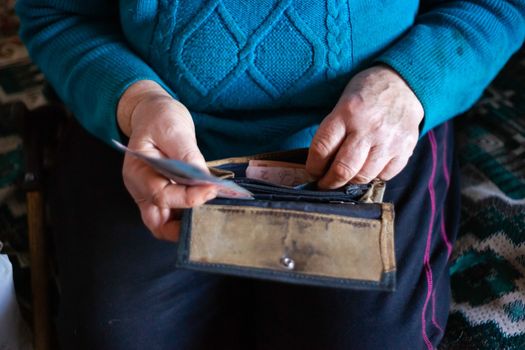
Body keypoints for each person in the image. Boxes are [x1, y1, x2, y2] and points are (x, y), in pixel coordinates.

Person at [16, 1, 525, 349]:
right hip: (152, 129)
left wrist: (410, 83)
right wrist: (136, 101)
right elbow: (58, 15)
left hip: (369, 130)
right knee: (116, 336)